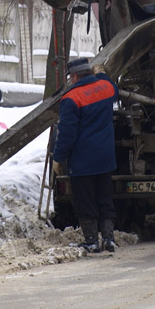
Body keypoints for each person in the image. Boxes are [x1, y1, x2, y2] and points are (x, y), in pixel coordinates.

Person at [51, 56, 119, 253]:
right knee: (105, 198)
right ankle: (109, 239)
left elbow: (67, 133)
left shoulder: (71, 98)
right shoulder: (106, 88)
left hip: (83, 161)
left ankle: (91, 241)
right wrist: (102, 74)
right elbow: (111, 85)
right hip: (105, 158)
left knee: (85, 200)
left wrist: (58, 156)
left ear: (73, 77)